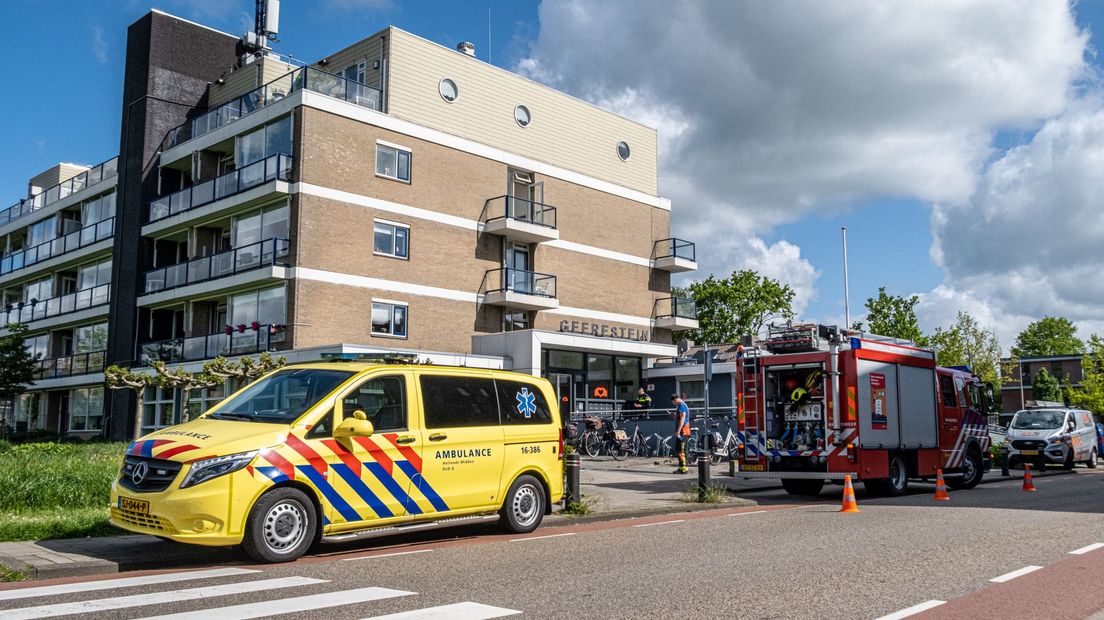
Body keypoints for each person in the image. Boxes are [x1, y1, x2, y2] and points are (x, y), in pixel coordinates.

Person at [671, 393, 691, 473]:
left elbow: (682, 418)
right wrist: (674, 415)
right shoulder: (681, 406)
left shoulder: (682, 405)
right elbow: (680, 417)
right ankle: (681, 468)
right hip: (682, 432)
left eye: (673, 402)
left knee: (682, 451)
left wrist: (678, 431)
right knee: (680, 451)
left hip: (683, 432)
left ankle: (684, 469)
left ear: (675, 400)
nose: (674, 404)